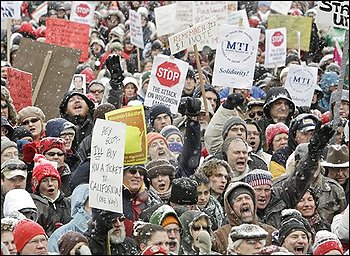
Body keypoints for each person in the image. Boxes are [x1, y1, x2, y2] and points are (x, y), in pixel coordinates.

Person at [212, 182, 276, 254]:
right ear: (231, 208)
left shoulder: (270, 232)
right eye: (239, 199)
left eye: (247, 198)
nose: (244, 202)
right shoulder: (220, 236)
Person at [30, 154, 71, 237]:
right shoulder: (33, 206)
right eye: (44, 181)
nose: (50, 184)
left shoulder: (69, 203)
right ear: (37, 185)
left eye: (53, 180)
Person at [47, 184, 91, 254]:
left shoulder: (109, 232)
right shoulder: (59, 235)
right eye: (92, 205)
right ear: (80, 205)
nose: (97, 210)